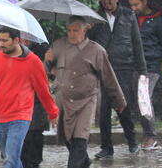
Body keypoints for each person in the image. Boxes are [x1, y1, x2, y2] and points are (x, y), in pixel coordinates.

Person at [45, 16, 126, 168]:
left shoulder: (96, 50)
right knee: (68, 138)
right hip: (63, 99)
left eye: (76, 30)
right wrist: (48, 61)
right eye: (69, 30)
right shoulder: (58, 46)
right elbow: (46, 72)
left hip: (86, 101)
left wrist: (119, 101)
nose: (72, 34)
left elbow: (109, 78)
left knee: (80, 138)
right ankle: (85, 162)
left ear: (85, 30)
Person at [0, 27, 59, 168]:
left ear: (16, 40)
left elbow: (43, 91)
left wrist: (53, 112)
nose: (1, 44)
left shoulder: (33, 62)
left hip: (21, 117)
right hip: (0, 116)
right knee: (11, 159)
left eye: (5, 40)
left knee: (10, 160)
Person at [88, 0, 147, 158]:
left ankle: (132, 140)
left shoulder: (129, 15)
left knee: (124, 107)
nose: (106, 2)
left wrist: (142, 70)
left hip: (124, 68)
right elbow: (89, 43)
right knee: (104, 109)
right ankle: (106, 147)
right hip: (103, 68)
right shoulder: (96, 17)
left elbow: (137, 43)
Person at [128, 0, 162, 150]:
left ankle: (150, 136)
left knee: (143, 99)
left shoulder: (159, 21)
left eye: (136, 5)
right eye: (131, 6)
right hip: (133, 65)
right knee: (136, 100)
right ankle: (139, 132)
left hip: (151, 67)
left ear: (145, 1)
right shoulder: (130, 19)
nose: (133, 8)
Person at [21, 40, 50, 168]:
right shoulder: (10, 49)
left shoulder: (41, 48)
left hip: (37, 98)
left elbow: (50, 70)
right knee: (22, 135)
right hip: (19, 98)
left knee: (35, 132)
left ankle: (34, 162)